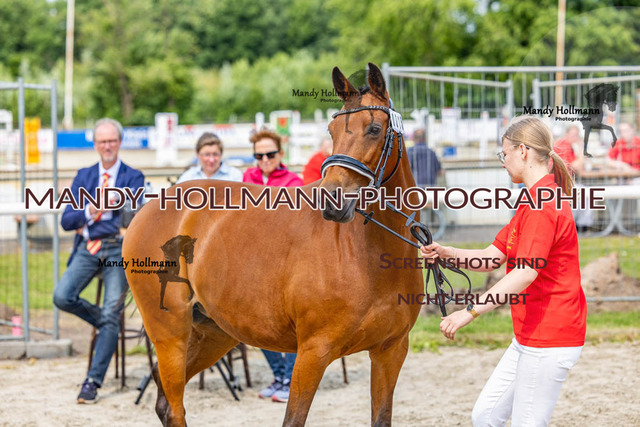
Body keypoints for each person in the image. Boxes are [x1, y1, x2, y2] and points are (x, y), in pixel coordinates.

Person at [421, 116, 585, 426]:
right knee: (485, 416)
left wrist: (469, 312)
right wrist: (446, 253)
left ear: (523, 151)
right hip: (530, 334)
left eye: (504, 153)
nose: (503, 161)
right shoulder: (532, 200)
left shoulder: (541, 205)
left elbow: (525, 272)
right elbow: (491, 257)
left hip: (550, 335)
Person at [53, 118, 144, 404]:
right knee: (62, 296)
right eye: (102, 141)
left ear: (120, 142)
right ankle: (107, 323)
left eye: (112, 140)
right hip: (88, 248)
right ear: (95, 144)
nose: (107, 145)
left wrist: (101, 221)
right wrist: (91, 211)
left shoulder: (133, 177)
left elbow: (131, 219)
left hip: (118, 249)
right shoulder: (84, 176)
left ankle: (92, 382)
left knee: (111, 311)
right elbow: (67, 221)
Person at [242, 128, 300, 403]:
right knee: (255, 322)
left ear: (280, 154)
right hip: (254, 261)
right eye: (259, 155)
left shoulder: (294, 182)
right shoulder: (247, 178)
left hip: (287, 260)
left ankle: (291, 380)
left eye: (270, 154)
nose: (264, 159)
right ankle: (279, 376)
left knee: (294, 323)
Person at [176, 132, 242, 183]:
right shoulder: (188, 177)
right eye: (207, 154)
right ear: (198, 155)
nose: (211, 159)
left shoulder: (235, 176)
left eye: (215, 154)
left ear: (221, 154)